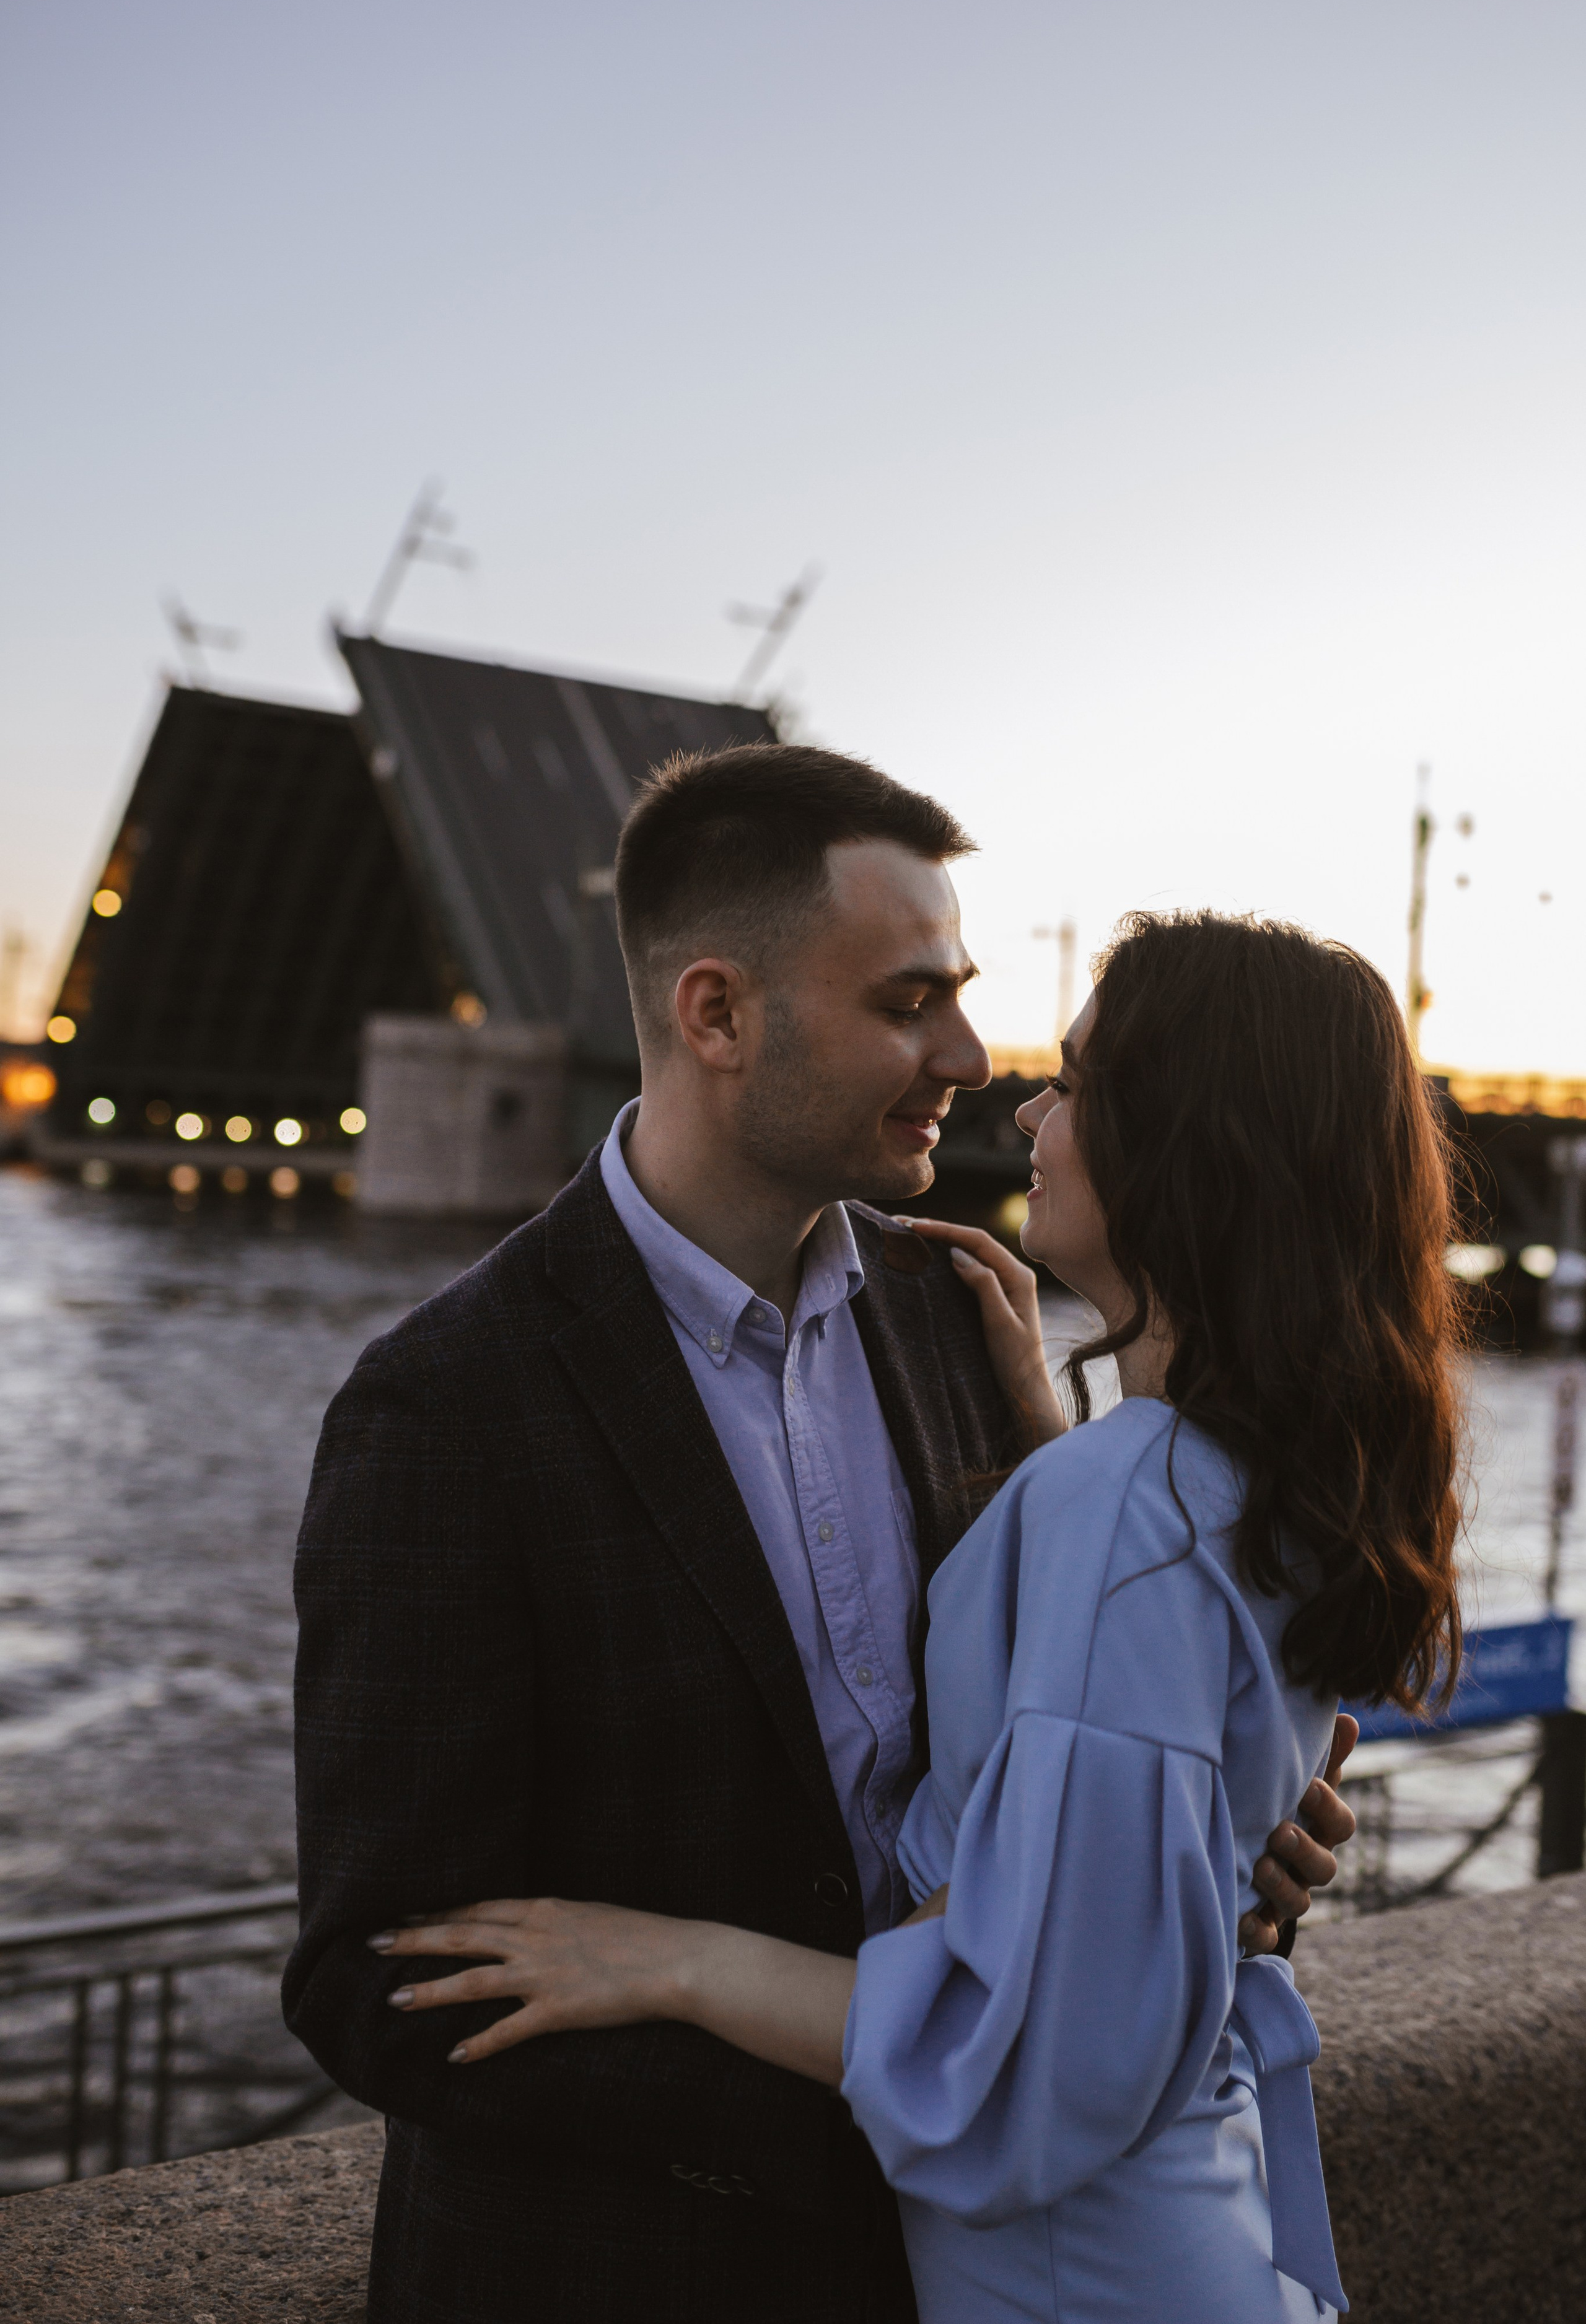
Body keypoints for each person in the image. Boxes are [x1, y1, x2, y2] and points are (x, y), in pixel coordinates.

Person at [287, 757, 1354, 2324]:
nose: (968, 1057)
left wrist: (1202, 1854)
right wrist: (905, 2094)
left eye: (960, 996)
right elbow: (379, 1984)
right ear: (716, 1014)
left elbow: (1056, 1759)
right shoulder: (444, 1407)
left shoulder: (957, 1321)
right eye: (908, 1002)